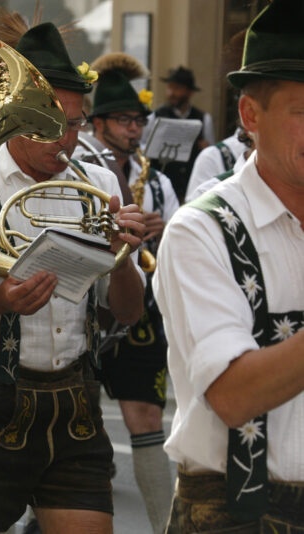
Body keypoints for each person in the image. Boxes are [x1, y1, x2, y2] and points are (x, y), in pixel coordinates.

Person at [0, 20, 146, 534]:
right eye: (51, 123)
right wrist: (1, 301)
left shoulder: (97, 183)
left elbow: (128, 311)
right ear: (15, 118)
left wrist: (123, 257)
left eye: (74, 125)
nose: (65, 141)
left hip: (75, 397)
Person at [154, 1, 304, 531]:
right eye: (303, 112)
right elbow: (234, 395)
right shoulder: (202, 230)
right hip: (234, 510)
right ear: (250, 116)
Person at [84, 52, 179, 534]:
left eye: (139, 121)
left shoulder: (156, 179)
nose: (134, 129)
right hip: (88, 303)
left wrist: (163, 229)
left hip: (140, 309)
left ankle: (164, 525)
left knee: (146, 416)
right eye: (124, 120)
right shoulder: (81, 169)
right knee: (75, 424)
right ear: (98, 123)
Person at [153, 66, 213, 202]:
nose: (171, 93)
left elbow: (211, 151)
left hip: (191, 188)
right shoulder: (155, 116)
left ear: (190, 92)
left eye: (177, 88)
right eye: (169, 88)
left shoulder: (204, 118)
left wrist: (205, 148)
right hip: (163, 189)